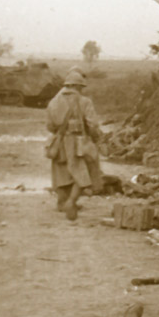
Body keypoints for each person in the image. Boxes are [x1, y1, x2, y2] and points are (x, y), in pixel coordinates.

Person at [45, 68, 103, 220]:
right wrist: (96, 138)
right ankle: (71, 202)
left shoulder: (53, 102)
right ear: (78, 86)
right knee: (81, 170)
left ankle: (61, 202)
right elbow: (92, 124)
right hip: (77, 141)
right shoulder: (84, 101)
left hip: (59, 140)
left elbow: (50, 126)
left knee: (61, 171)